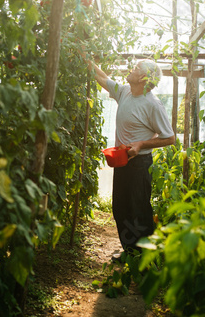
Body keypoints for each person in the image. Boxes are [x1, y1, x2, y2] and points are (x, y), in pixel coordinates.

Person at [79, 50, 175, 260]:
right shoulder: (124, 92)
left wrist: (141, 144)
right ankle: (130, 253)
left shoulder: (152, 104)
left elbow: (169, 138)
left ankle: (146, 259)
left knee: (138, 209)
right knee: (120, 207)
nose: (132, 69)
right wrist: (84, 55)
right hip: (122, 160)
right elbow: (103, 77)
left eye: (136, 68)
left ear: (144, 78)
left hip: (139, 163)